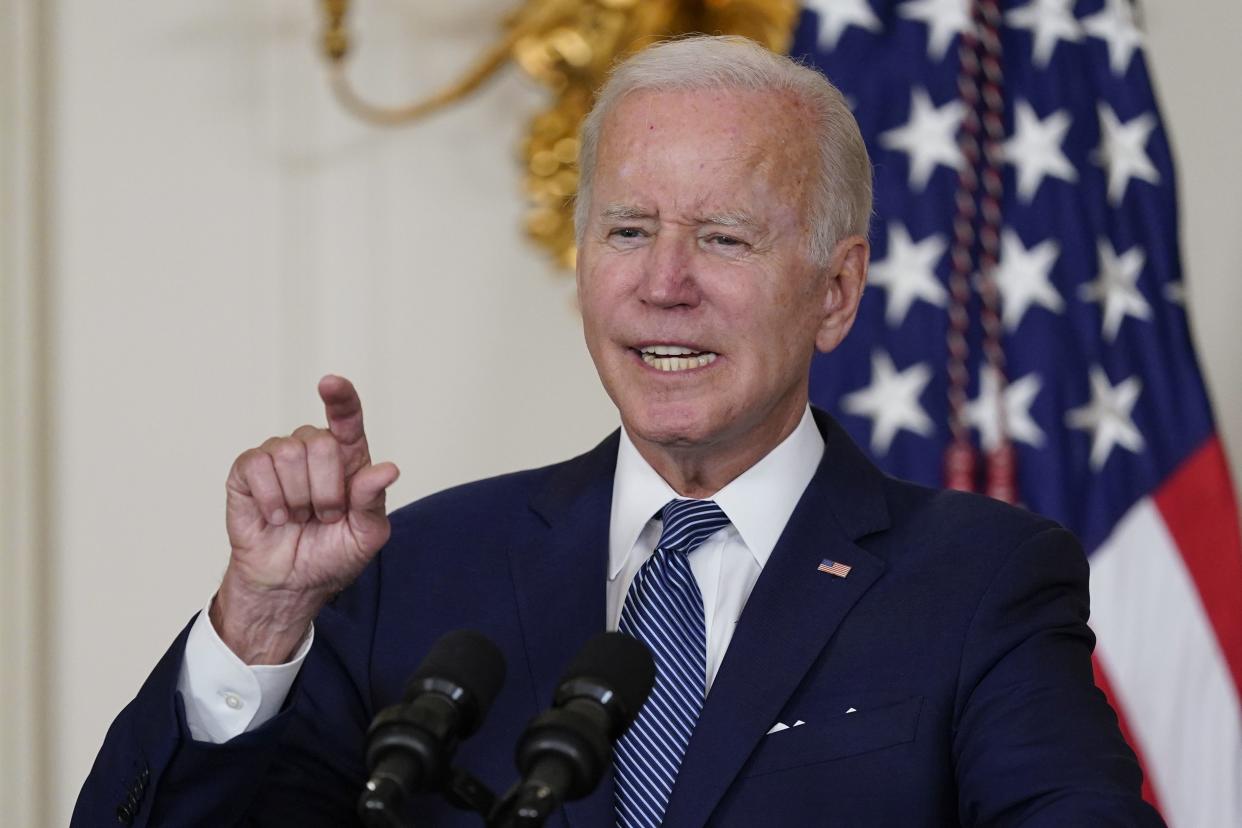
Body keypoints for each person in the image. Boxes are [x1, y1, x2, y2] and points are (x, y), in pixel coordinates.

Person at [74, 35, 1163, 827]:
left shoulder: (977, 582)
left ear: (835, 292)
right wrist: (261, 619)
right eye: (629, 230)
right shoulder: (414, 572)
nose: (665, 284)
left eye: (725, 237)